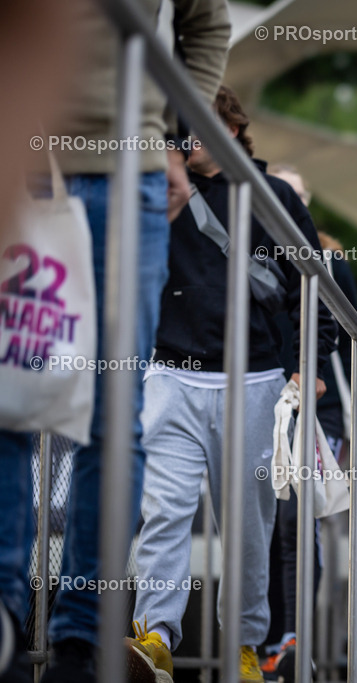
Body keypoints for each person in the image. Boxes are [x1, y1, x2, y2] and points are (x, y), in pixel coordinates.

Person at [0, 3, 229, 682]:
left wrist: (176, 136)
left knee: (114, 410)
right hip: (20, 159)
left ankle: (82, 631)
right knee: (10, 392)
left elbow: (206, 21)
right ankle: (8, 619)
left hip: (129, 169)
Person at [124, 86, 337, 683]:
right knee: (164, 511)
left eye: (199, 125)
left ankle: (243, 648)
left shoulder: (273, 197)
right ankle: (155, 639)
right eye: (179, 126)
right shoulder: (158, 189)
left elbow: (310, 285)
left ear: (231, 128)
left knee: (248, 526)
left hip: (257, 377)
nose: (185, 135)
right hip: (170, 372)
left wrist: (308, 363)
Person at [260, 167, 357, 681]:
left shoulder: (329, 259)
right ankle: (263, 641)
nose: (290, 202)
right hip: (258, 401)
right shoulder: (248, 250)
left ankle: (294, 639)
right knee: (258, 525)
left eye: (299, 195)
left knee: (294, 522)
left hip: (318, 408)